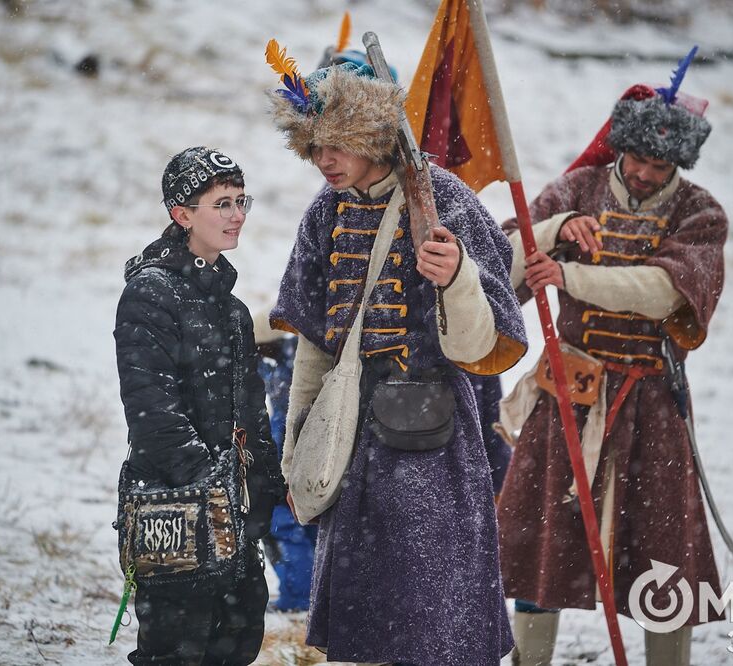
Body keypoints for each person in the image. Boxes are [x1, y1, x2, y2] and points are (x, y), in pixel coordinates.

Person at [266, 56, 527, 665]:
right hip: (349, 437)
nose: (323, 160)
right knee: (363, 618)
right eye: (313, 146)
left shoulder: (447, 203)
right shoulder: (324, 214)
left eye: (335, 144)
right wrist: (299, 439)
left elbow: (477, 347)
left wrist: (458, 277)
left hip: (433, 436)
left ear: (371, 134)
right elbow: (314, 342)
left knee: (434, 618)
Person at [496, 67, 728, 666]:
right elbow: (505, 264)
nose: (646, 173)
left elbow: (663, 291)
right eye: (638, 159)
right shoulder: (576, 188)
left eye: (660, 165)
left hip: (651, 401)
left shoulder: (700, 213)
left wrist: (570, 274)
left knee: (663, 554)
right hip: (565, 397)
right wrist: (551, 233)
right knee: (537, 543)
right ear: (621, 147)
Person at [113, 147, 283, 665]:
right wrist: (208, 488)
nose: (237, 215)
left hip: (233, 515)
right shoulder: (149, 294)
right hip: (175, 511)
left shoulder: (232, 309)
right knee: (174, 652)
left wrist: (265, 487)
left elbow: (251, 409)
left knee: (235, 643)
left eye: (241, 201)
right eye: (222, 204)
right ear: (181, 213)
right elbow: (150, 413)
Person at [253, 311, 318, 613]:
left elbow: (284, 424)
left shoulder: (282, 369)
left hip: (289, 459)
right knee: (311, 527)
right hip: (316, 460)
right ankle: (315, 596)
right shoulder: (301, 356)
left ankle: (298, 597)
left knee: (282, 525)